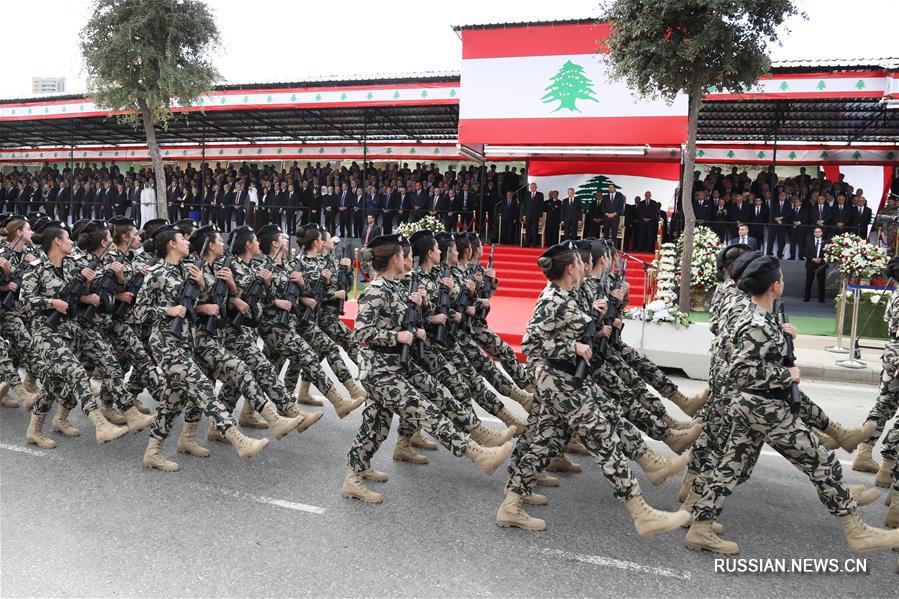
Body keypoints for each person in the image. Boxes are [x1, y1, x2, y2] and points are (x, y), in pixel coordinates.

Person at [685, 255, 899, 555]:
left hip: (751, 409)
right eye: (782, 278)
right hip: (766, 410)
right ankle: (857, 531)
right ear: (774, 286)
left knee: (731, 467)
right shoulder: (756, 323)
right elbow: (740, 371)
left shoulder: (755, 316)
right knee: (821, 462)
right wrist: (784, 373)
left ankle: (700, 527)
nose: (783, 282)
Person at [495, 240, 691, 535]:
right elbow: (531, 343)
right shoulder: (553, 299)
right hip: (556, 380)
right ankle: (642, 512)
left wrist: (592, 323)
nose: (584, 266)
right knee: (603, 439)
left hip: (567, 378)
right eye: (579, 262)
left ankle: (511, 503)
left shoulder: (568, 294)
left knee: (546, 436)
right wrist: (570, 346)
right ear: (571, 269)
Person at [342, 233, 512, 504]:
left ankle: (356, 471)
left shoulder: (398, 286)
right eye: (402, 255)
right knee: (425, 410)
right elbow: (361, 333)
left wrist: (422, 310)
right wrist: (396, 337)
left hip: (400, 363)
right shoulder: (375, 291)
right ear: (394, 259)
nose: (407, 258)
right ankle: (478, 453)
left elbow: (413, 317)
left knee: (379, 423)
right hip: (379, 370)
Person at [133, 223, 269, 470]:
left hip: (188, 341)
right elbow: (139, 311)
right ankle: (238, 440)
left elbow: (207, 302)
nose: (188, 242)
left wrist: (202, 284)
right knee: (203, 386)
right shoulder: (155, 273)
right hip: (166, 343)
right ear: (171, 244)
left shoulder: (188, 270)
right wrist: (167, 310)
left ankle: (153, 452)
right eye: (182, 240)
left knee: (174, 400)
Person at [21, 223, 129, 447]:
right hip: (45, 333)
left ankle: (34, 430)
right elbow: (24, 301)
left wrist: (88, 286)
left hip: (70, 333)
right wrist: (51, 302)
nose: (72, 242)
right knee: (77, 372)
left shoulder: (72, 265)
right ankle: (101, 424)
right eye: (68, 239)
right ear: (57, 242)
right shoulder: (37, 269)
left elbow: (87, 292)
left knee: (53, 384)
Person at [803, 226, 827, 302]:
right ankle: (806, 298)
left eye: (819, 231)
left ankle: (821, 299)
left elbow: (828, 253)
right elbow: (805, 253)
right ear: (813, 233)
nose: (817, 233)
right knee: (808, 281)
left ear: (822, 233)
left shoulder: (826, 242)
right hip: (811, 264)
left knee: (821, 282)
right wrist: (813, 259)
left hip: (821, 264)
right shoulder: (809, 241)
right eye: (816, 232)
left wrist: (821, 259)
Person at [521, 183, 543, 247]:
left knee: (535, 229)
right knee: (528, 229)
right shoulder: (527, 194)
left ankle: (535, 243)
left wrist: (540, 216)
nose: (532, 188)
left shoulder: (540, 195)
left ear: (536, 187)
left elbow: (541, 206)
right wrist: (524, 215)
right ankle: (527, 243)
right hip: (528, 214)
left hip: (536, 215)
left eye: (533, 187)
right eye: (531, 187)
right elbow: (525, 205)